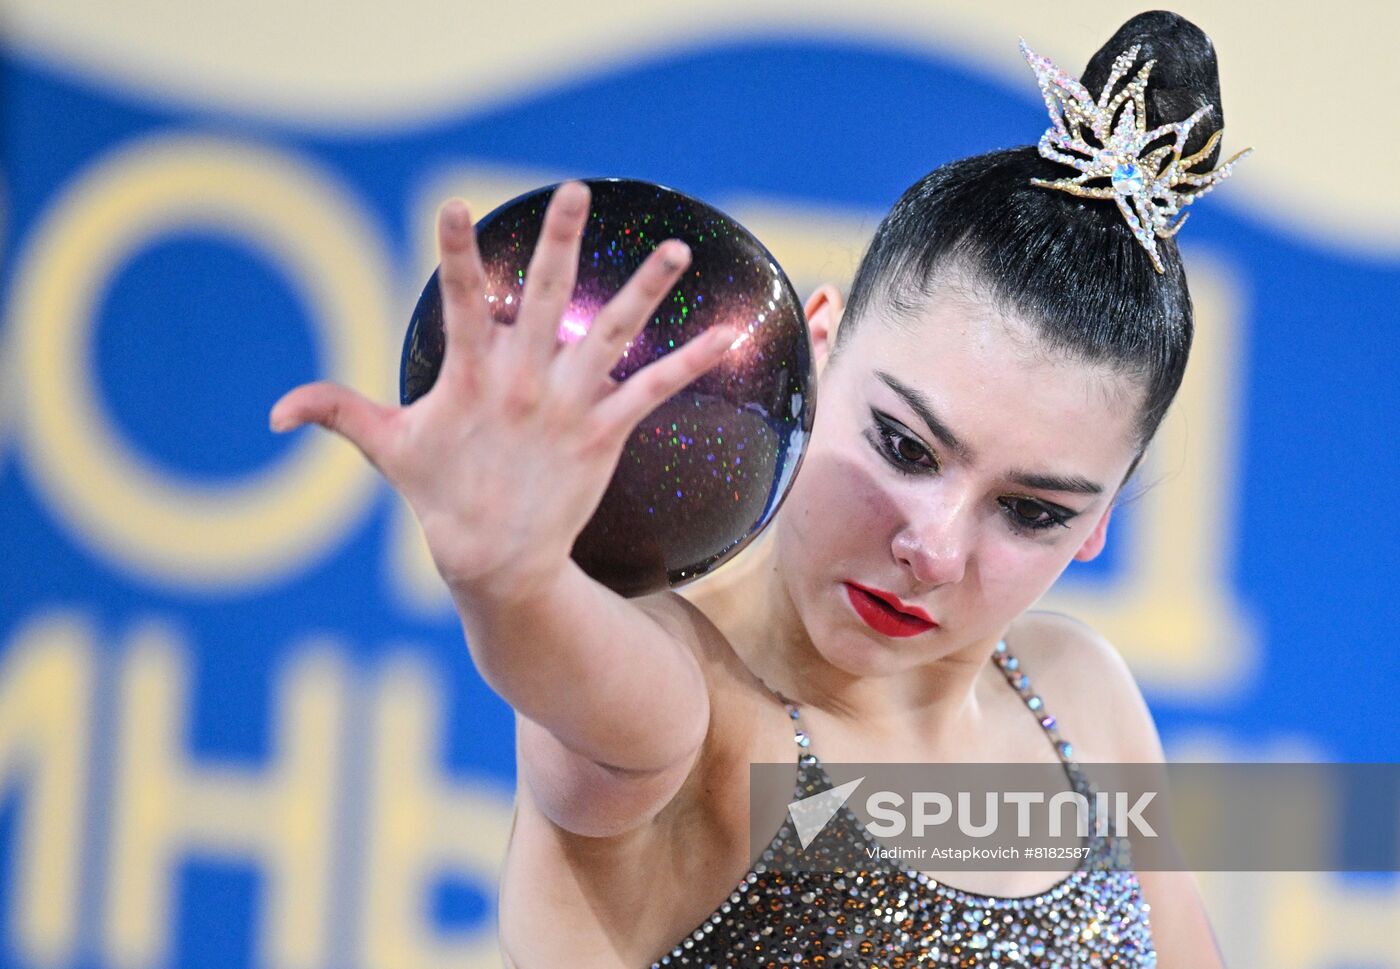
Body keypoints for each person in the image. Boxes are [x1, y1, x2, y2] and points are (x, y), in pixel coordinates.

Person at [270, 10, 1235, 966]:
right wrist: (511, 580)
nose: (934, 548)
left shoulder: (1082, 699)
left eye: (1030, 511)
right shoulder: (693, 719)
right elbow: (600, 705)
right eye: (904, 446)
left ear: (1099, 520)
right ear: (817, 352)